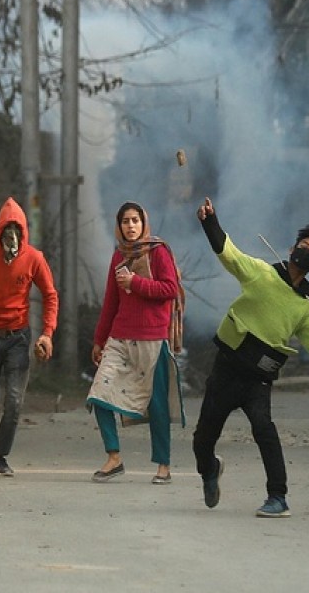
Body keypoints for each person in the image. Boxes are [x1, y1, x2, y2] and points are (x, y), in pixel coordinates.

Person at [192, 196, 309, 518]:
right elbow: (228, 254)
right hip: (226, 369)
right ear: (290, 249)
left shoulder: (305, 307)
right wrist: (209, 221)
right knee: (203, 439)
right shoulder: (260, 273)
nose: (307, 252)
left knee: (264, 430)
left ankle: (278, 497)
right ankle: (210, 470)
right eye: (304, 245)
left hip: (257, 378)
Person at [86, 202, 185, 485]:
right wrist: (99, 339)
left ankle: (163, 466)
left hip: (153, 338)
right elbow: (111, 301)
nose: (130, 226)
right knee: (99, 393)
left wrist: (136, 282)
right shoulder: (119, 254)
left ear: (144, 223)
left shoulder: (158, 251)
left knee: (157, 406)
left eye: (135, 221)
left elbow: (169, 289)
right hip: (120, 337)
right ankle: (114, 457)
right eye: (125, 221)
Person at [0, 197, 59, 477]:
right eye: (7, 233)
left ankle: (0, 456)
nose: (12, 240)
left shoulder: (34, 258)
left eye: (17, 233)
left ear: (23, 234)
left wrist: (47, 334)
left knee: (15, 401)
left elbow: (50, 295)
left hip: (17, 337)